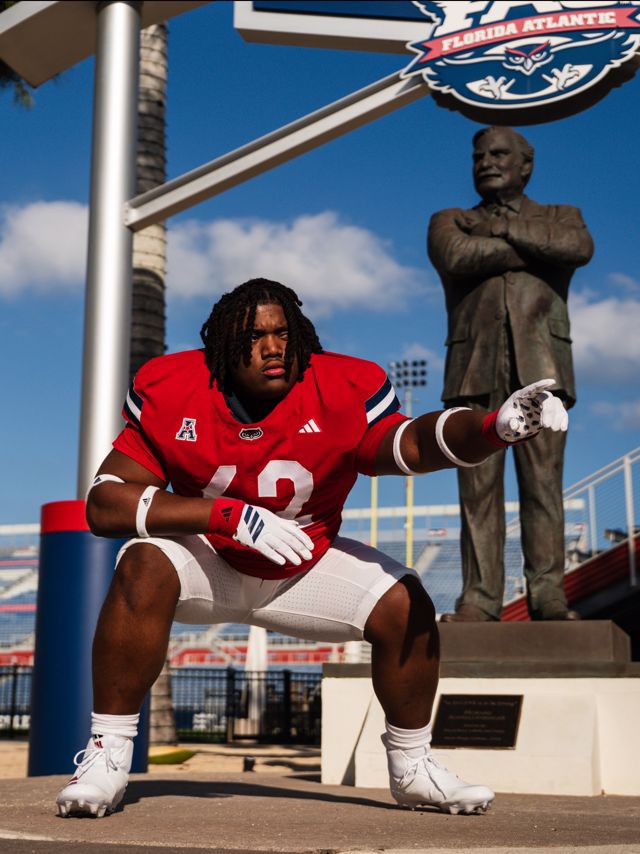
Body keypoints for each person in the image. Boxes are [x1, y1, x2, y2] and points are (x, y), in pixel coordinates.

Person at [55, 278, 567, 819]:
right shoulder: (176, 387)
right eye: (253, 337)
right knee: (142, 562)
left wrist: (491, 428)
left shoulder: (341, 385)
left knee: (406, 603)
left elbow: (411, 442)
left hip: (304, 563)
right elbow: (105, 505)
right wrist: (226, 515)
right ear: (222, 348)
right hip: (209, 560)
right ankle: (108, 756)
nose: (273, 348)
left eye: (282, 333)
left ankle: (413, 768)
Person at [428, 126, 593, 623]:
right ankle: (479, 599)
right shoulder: (448, 220)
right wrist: (534, 246)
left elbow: (577, 247)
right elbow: (457, 256)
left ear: (526, 164)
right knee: (477, 490)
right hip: (472, 372)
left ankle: (548, 595)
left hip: (542, 370)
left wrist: (498, 231)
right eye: (478, 155)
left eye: (499, 154)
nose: (486, 162)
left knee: (543, 485)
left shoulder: (562, 216)